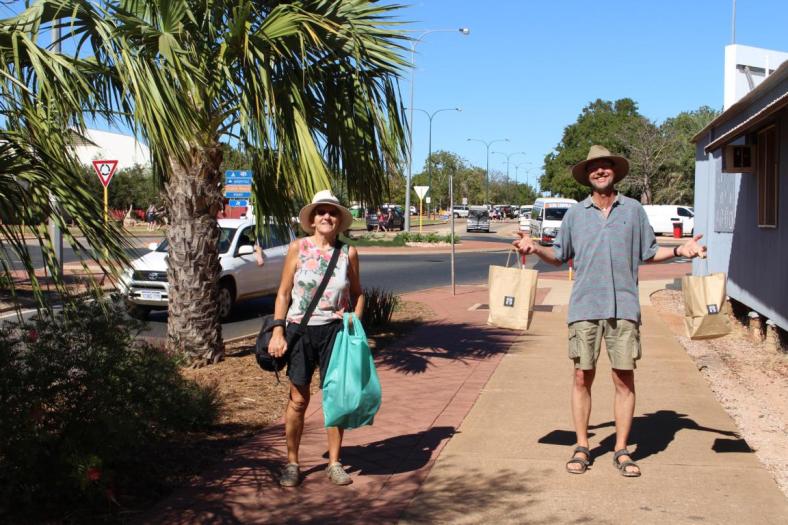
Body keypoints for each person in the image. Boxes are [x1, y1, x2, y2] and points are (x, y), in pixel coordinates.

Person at [513, 145, 707, 478]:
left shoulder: (632, 210)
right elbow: (558, 255)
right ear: (587, 176)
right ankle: (582, 446)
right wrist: (535, 248)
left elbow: (648, 252)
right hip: (585, 306)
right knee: (581, 377)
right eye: (594, 168)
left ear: (614, 172)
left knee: (623, 379)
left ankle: (621, 449)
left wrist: (681, 250)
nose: (600, 172)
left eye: (605, 167)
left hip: (624, 306)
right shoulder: (575, 214)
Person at [268, 190, 364, 487]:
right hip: (301, 331)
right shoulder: (298, 248)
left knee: (335, 399)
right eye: (321, 212)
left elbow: (358, 293)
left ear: (339, 221)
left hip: (335, 333)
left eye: (332, 212)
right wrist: (278, 330)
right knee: (299, 400)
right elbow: (284, 293)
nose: (327, 216)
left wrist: (354, 321)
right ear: (311, 219)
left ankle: (334, 463)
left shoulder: (348, 253)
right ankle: (293, 463)